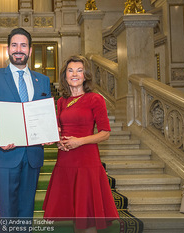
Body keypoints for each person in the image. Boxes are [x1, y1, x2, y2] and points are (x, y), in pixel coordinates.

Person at [0, 28, 51, 219]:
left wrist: (50, 130)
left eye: (23, 45)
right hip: (5, 155)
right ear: (8, 49)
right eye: (14, 45)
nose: (19, 49)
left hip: (33, 155)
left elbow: (45, 115)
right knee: (7, 213)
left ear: (30, 50)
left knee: (27, 213)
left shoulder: (42, 81)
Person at [42, 55, 119, 233]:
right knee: (72, 213)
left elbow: (105, 133)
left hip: (87, 161)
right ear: (65, 75)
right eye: (70, 70)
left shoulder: (95, 99)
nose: (74, 74)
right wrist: (59, 141)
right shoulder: (61, 101)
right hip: (65, 161)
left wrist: (79, 142)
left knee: (87, 217)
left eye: (79, 70)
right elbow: (58, 130)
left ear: (86, 76)